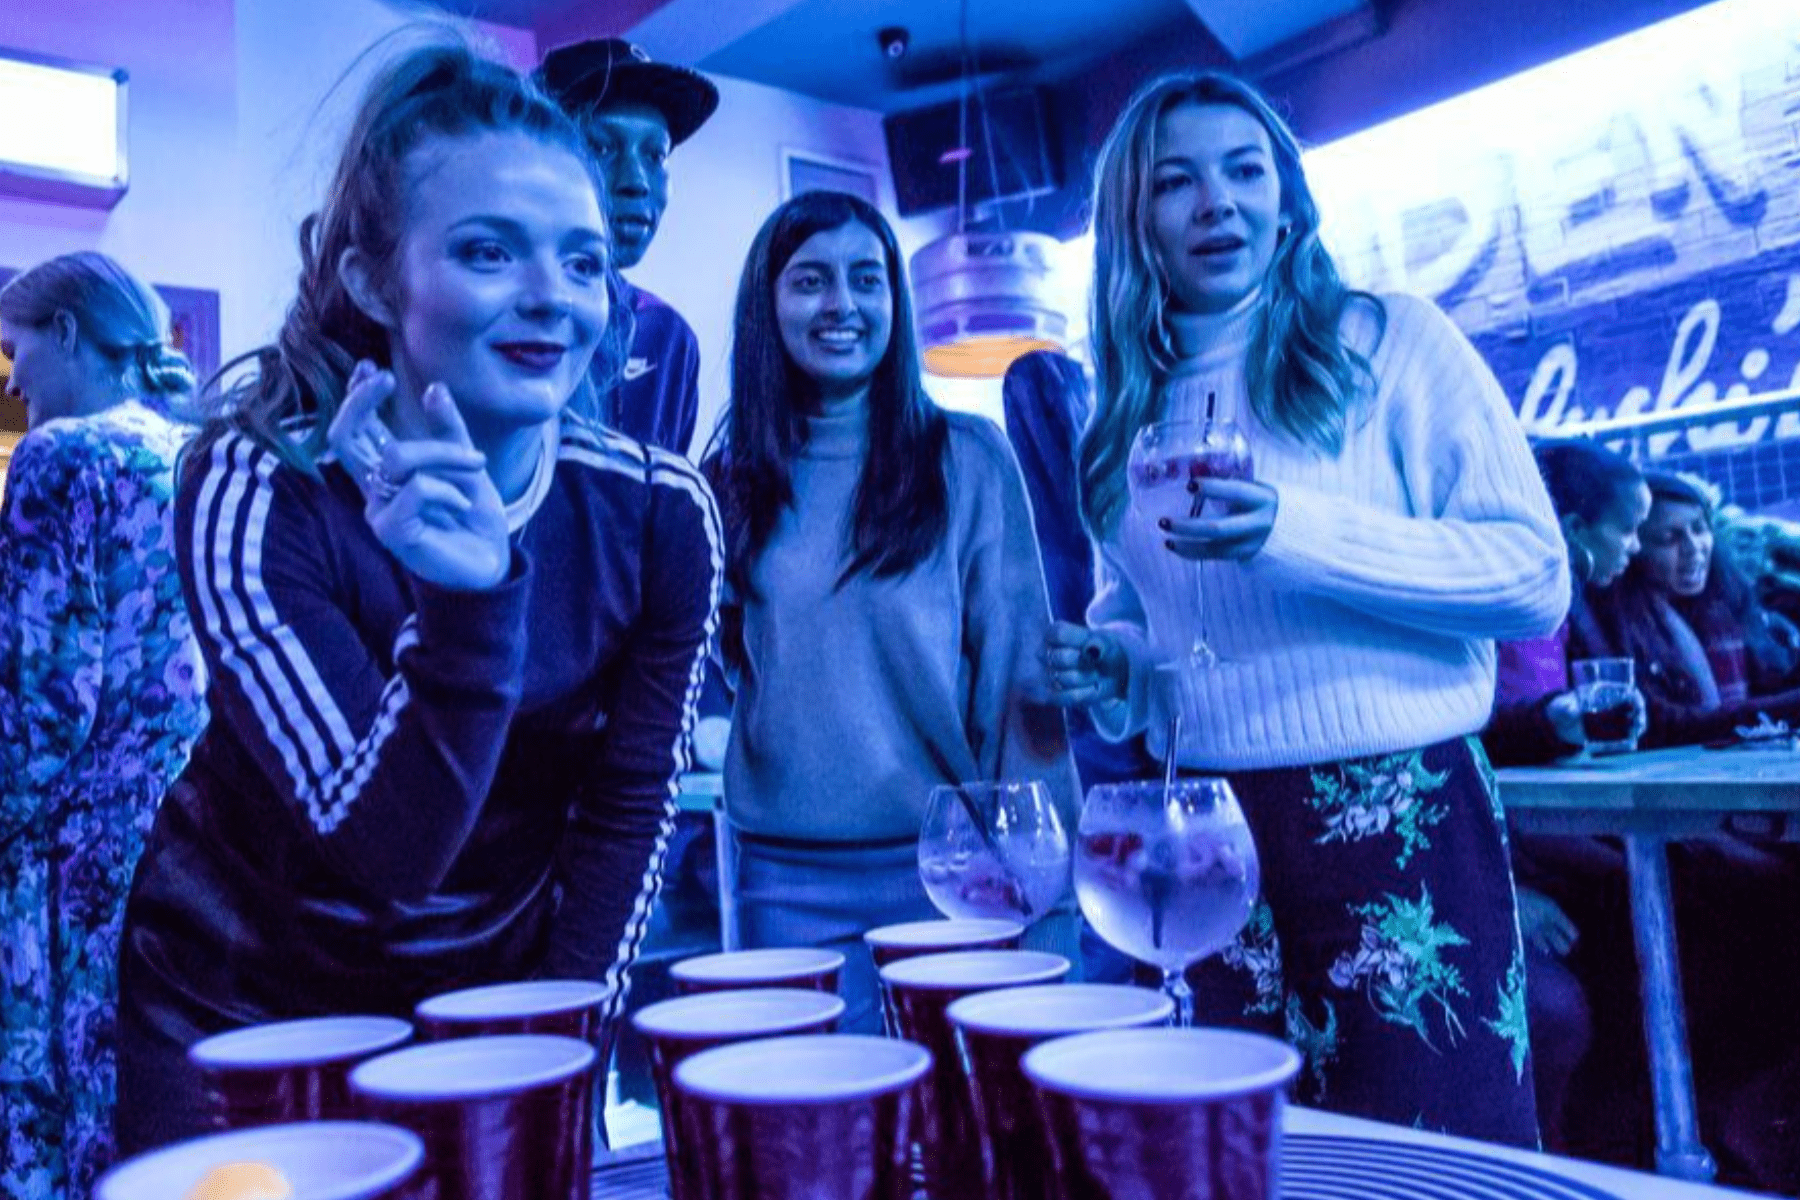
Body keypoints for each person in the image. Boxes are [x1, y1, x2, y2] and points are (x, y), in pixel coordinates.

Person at [113, 42, 720, 1153]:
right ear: (372, 280)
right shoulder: (259, 481)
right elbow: (386, 852)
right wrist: (468, 609)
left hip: (491, 1014)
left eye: (584, 264)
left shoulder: (658, 512)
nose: (552, 300)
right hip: (243, 1020)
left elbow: (628, 813)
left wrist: (562, 1043)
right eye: (489, 251)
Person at [1044, 71, 1567, 1146]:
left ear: (1287, 195)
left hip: (1399, 809)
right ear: (1131, 217)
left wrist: (1291, 533)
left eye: (1247, 171)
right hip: (1207, 829)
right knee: (1248, 1159)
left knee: (1435, 1164)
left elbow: (1531, 577)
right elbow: (1149, 626)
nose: (1217, 204)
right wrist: (1114, 668)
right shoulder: (1122, 418)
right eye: (1176, 183)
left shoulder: (1392, 342)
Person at [702, 191, 1079, 1034]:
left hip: (950, 879)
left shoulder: (968, 461)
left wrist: (1050, 897)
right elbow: (739, 667)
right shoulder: (728, 481)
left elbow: (1021, 685)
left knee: (954, 1150)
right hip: (778, 886)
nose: (843, 305)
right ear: (768, 306)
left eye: (867, 280)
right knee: (814, 1150)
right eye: (811, 282)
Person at [0, 252, 206, 1199]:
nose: (14, 378)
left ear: (72, 333)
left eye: (19, 350)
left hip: (77, 846)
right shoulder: (184, 450)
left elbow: (48, 698)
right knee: (151, 1097)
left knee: (67, 1102)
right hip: (184, 825)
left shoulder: (58, 457)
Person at [1481, 438, 1649, 1153]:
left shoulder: (1573, 603)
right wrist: (1501, 891)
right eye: (1632, 529)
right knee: (1641, 900)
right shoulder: (1491, 600)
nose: (1638, 549)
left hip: (1537, 829)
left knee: (1667, 887)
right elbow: (1473, 739)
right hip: (1505, 842)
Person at [539, 37, 717, 456]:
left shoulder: (667, 337)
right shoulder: (485, 313)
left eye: (656, 155)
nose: (635, 181)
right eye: (601, 146)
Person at [1587, 471, 1800, 744]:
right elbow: (1668, 723)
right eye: (1669, 538)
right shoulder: (1621, 625)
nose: (1693, 548)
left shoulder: (1730, 603)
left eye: (1699, 529)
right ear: (1637, 548)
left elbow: (1772, 676)